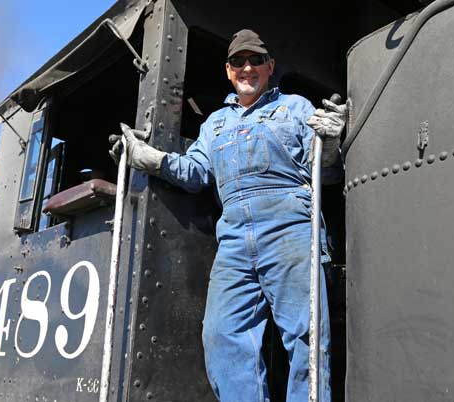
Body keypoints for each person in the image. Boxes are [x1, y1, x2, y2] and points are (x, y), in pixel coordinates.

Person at [110, 29, 346, 402]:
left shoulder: (297, 108)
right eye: (238, 61)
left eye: (255, 60)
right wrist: (150, 159)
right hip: (234, 237)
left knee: (307, 336)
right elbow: (196, 173)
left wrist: (332, 142)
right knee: (221, 334)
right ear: (228, 70)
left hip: (290, 227)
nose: (247, 67)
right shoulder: (214, 125)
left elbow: (325, 172)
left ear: (269, 67)